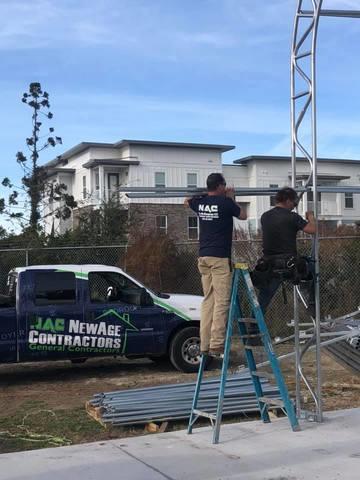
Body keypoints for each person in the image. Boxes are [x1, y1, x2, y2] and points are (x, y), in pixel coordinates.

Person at [185, 173, 247, 356]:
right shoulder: (226, 203)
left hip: (203, 257)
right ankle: (216, 344)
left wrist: (201, 196)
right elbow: (243, 215)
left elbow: (186, 201)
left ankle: (204, 344)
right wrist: (232, 198)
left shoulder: (200, 202)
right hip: (219, 257)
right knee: (222, 301)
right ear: (220, 186)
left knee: (208, 301)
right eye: (225, 185)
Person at [255, 187, 316, 316]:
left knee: (263, 298)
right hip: (290, 266)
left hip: (269, 265)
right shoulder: (291, 217)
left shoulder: (265, 216)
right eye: (294, 203)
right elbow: (312, 229)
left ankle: (254, 328)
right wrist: (310, 217)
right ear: (288, 200)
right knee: (312, 267)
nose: (294, 206)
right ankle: (311, 303)